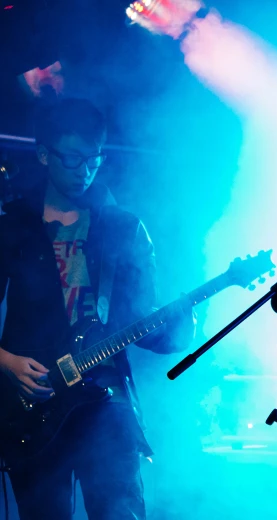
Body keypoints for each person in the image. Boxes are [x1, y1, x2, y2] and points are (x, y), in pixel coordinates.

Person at [0, 98, 195, 519]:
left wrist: (182, 321)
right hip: (33, 398)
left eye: (94, 158)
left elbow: (144, 320)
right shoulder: (11, 224)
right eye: (72, 158)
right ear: (42, 154)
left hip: (106, 399)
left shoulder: (124, 226)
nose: (84, 169)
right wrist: (5, 361)